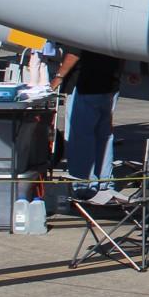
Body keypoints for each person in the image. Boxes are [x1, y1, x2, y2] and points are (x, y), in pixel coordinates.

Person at [53, 47, 124, 196]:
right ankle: (105, 183)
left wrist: (59, 77)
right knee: (104, 136)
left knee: (81, 137)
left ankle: (83, 184)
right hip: (110, 83)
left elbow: (75, 51)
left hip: (86, 84)